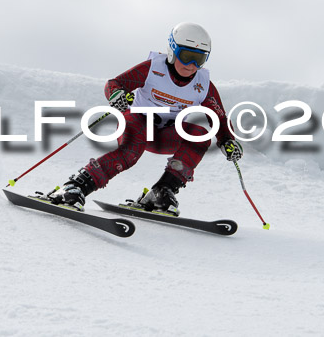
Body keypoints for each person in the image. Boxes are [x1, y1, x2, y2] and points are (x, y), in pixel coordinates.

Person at [48, 22, 243, 215]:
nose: (191, 65)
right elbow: (114, 83)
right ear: (172, 50)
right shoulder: (153, 68)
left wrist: (228, 141)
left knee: (200, 135)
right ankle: (75, 187)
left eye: (199, 59)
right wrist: (116, 95)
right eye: (186, 56)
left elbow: (219, 118)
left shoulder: (203, 85)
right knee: (130, 152)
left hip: (165, 134)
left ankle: (161, 191)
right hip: (136, 122)